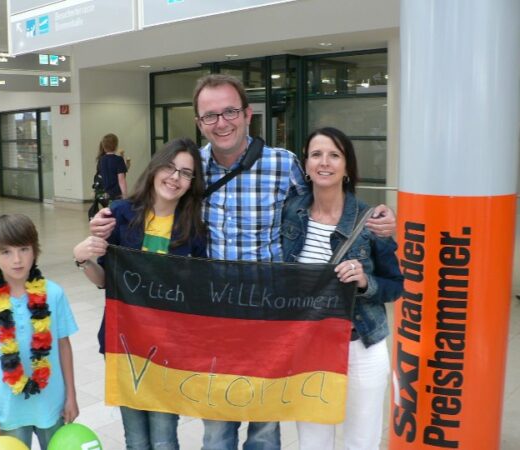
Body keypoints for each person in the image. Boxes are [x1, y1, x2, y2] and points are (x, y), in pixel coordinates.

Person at [90, 74, 397, 450]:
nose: (222, 122)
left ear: (247, 114)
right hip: (214, 319)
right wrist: (110, 220)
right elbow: (155, 207)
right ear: (199, 122)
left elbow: (324, 199)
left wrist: (374, 220)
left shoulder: (282, 165)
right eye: (210, 115)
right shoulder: (189, 170)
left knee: (266, 430)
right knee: (217, 428)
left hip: (272, 318)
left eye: (230, 111)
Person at [73, 137, 207, 449]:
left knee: (163, 437)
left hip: (169, 348)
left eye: (186, 173)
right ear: (156, 167)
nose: (175, 178)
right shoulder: (120, 215)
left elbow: (199, 290)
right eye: (170, 168)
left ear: (192, 182)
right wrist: (83, 258)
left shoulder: (194, 229)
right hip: (124, 344)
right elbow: (105, 281)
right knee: (135, 437)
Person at [281, 127, 403, 450]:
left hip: (360, 343)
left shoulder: (371, 220)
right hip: (307, 345)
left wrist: (365, 281)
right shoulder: (289, 213)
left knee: (360, 442)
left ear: (347, 167)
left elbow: (395, 286)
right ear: (305, 165)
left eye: (334, 155)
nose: (325, 163)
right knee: (312, 442)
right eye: (316, 154)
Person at [0, 214, 79, 449]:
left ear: (35, 250)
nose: (17, 260)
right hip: (7, 409)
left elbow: (64, 346)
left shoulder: (54, 293)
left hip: (52, 404)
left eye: (24, 249)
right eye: (6, 252)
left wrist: (71, 395)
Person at [97, 133, 128, 203]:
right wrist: (125, 195)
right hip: (116, 193)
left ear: (104, 147)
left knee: (109, 211)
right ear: (116, 146)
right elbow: (121, 180)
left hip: (106, 193)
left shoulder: (101, 160)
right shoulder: (118, 160)